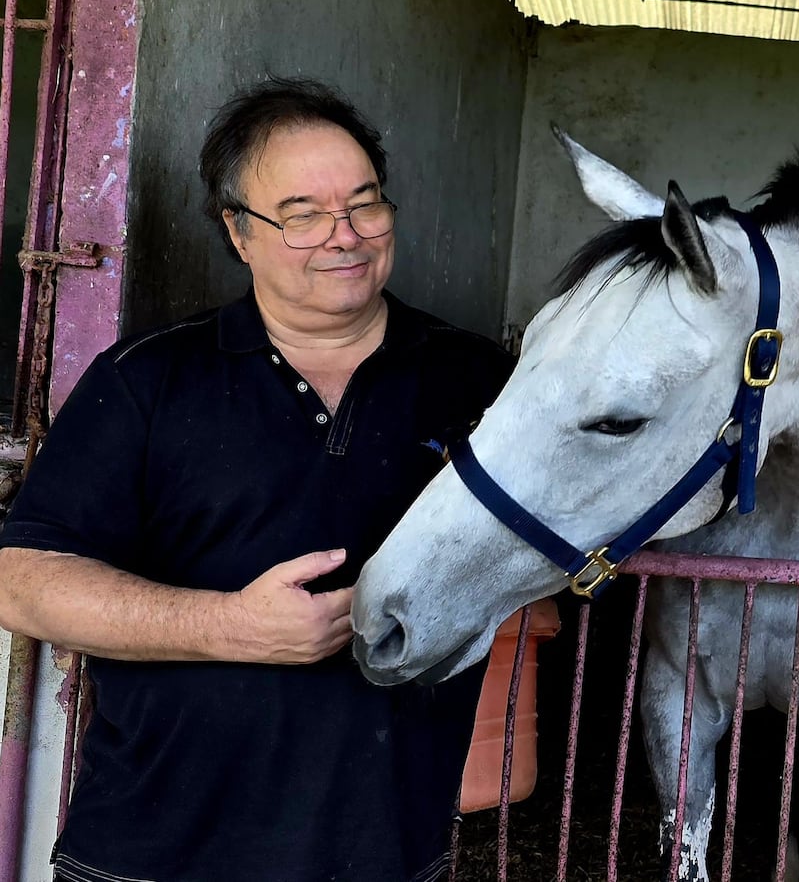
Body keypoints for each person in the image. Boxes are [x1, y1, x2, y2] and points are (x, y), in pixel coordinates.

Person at [0, 77, 514, 882]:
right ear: (240, 234)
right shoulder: (147, 381)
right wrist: (232, 627)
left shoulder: (483, 383)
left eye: (365, 204)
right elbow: (23, 582)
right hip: (152, 856)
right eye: (302, 213)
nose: (344, 236)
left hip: (387, 852)